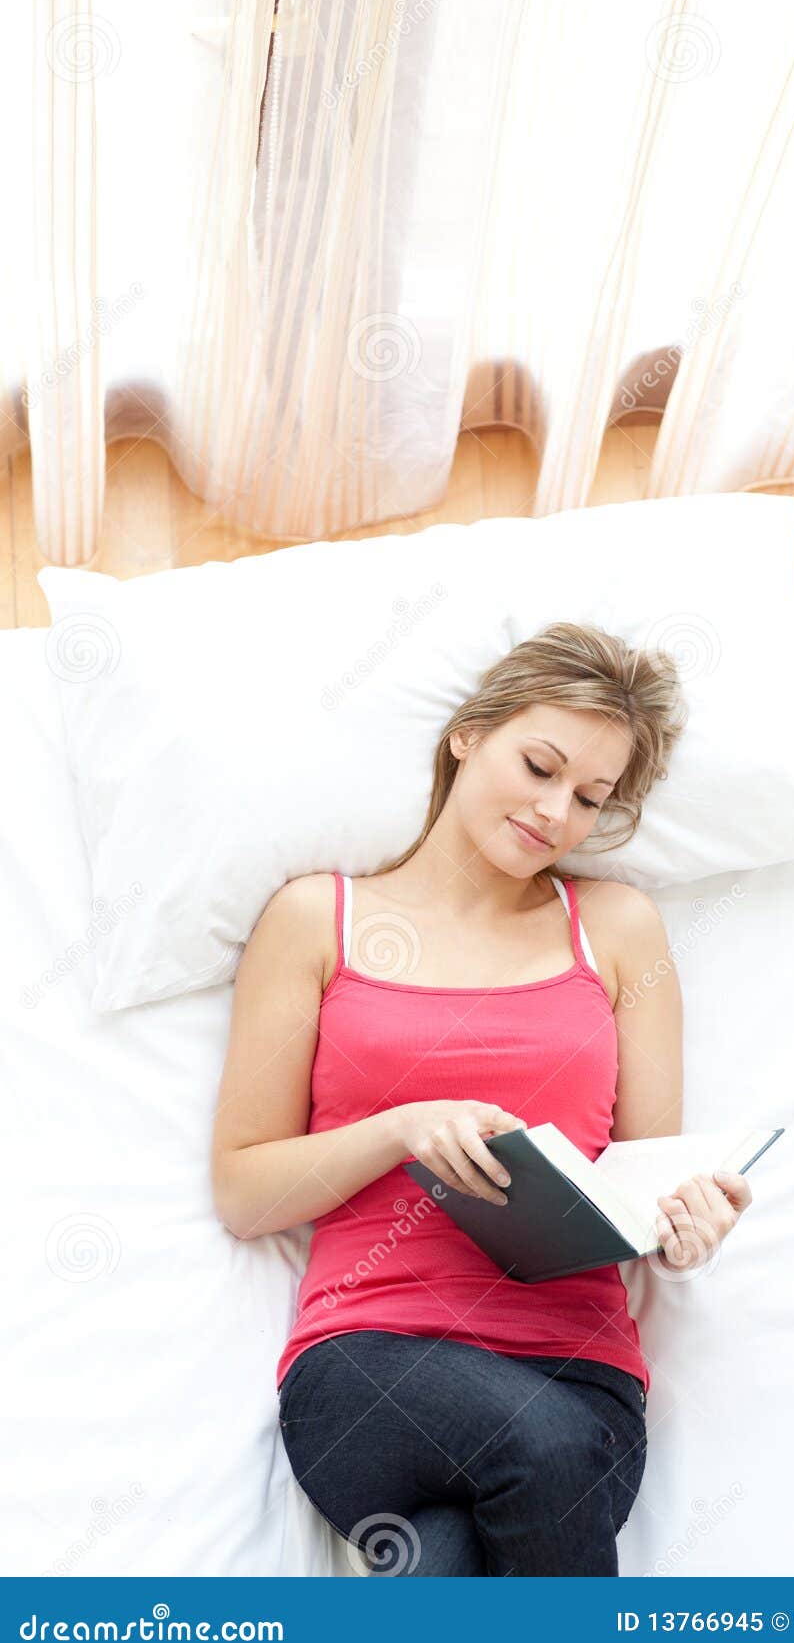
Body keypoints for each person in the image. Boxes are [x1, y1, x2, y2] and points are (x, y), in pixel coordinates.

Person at [211, 621, 753, 1576]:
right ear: (468, 734)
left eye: (590, 798)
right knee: (539, 1453)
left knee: (444, 1563)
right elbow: (246, 1194)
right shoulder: (316, 919)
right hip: (371, 1365)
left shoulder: (618, 929)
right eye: (538, 766)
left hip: (579, 1377)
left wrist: (687, 1218)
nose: (555, 811)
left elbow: (642, 1176)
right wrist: (398, 1128)